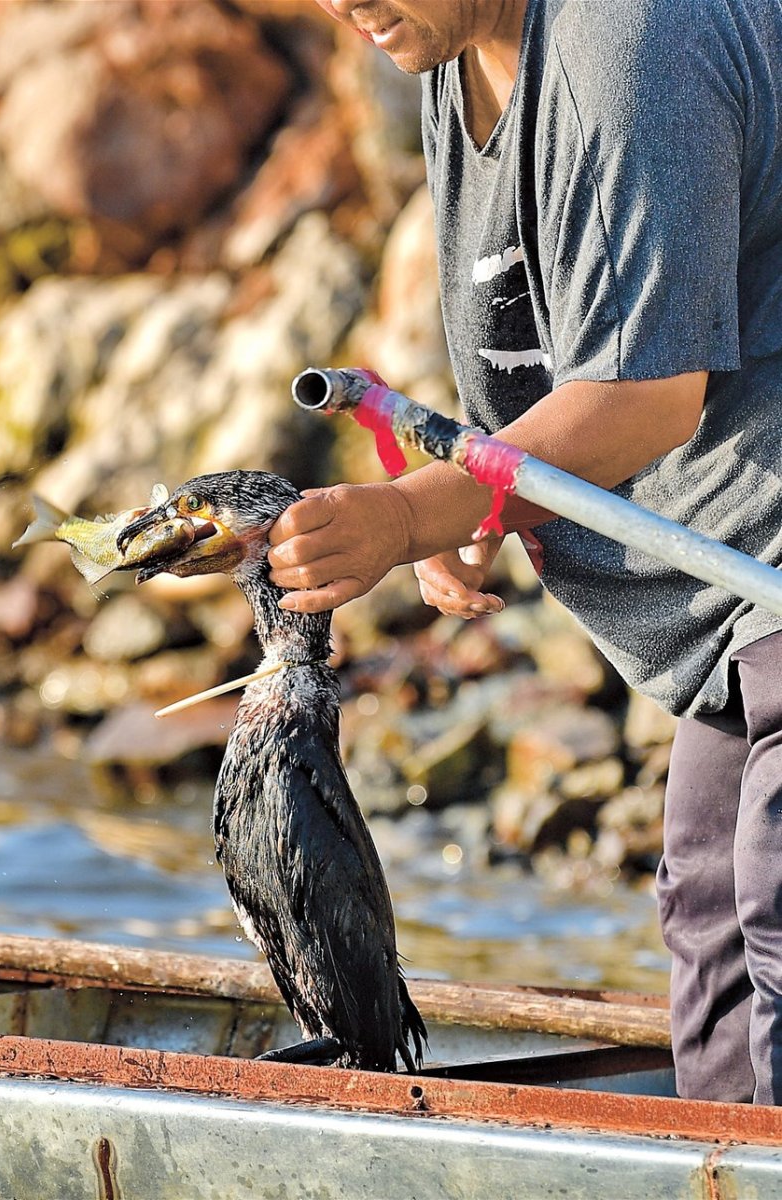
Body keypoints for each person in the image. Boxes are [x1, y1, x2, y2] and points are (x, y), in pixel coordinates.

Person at [267, 0, 782, 1104]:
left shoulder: (638, 40)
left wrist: (417, 516)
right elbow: (535, 314)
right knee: (714, 921)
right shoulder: (456, 52)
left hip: (764, 563)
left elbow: (645, 397)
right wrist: (484, 507)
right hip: (737, 590)